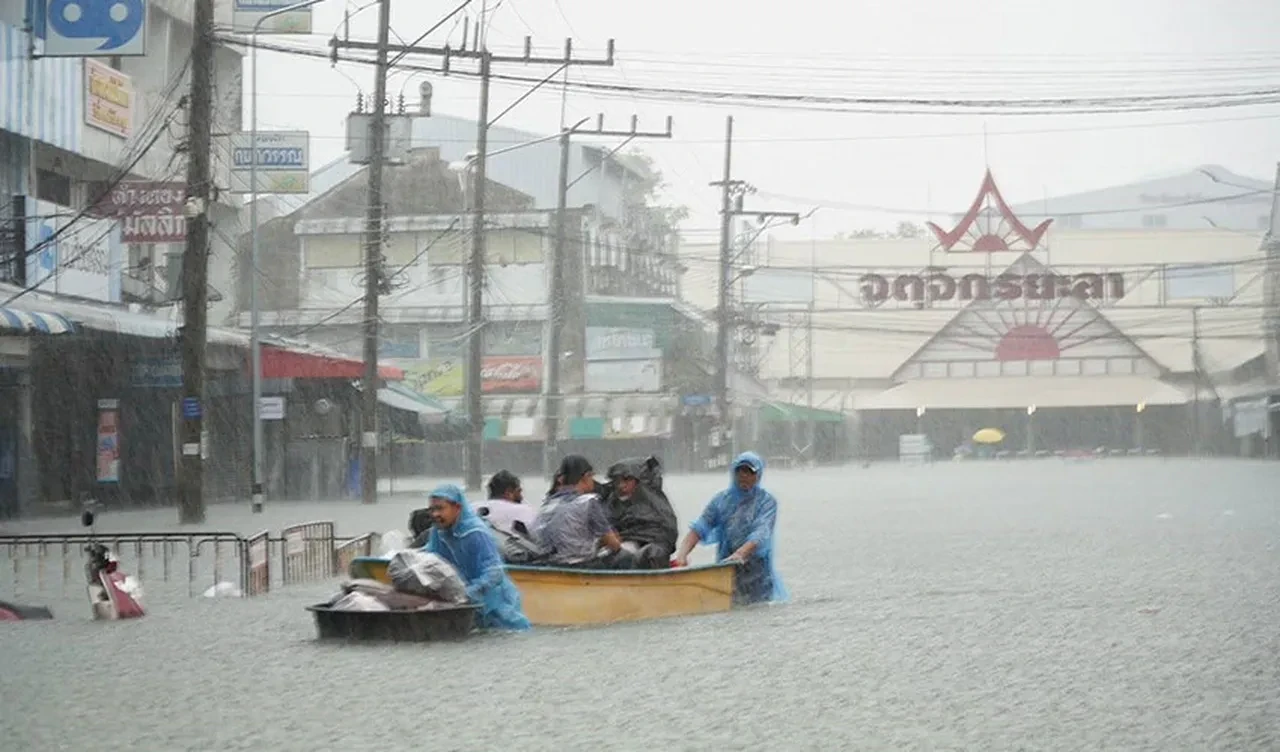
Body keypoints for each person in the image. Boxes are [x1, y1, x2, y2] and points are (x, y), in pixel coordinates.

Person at [674, 451, 788, 605]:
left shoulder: (766, 502)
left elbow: (761, 532)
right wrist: (682, 555)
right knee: (730, 607)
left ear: (758, 476)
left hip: (757, 569)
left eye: (749, 472)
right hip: (727, 566)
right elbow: (699, 528)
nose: (744, 475)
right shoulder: (721, 500)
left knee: (756, 608)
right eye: (740, 471)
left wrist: (741, 553)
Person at [424, 483, 531, 631]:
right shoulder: (438, 533)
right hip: (465, 608)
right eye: (432, 509)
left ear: (457, 508)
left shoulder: (476, 533)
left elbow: (494, 572)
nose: (435, 514)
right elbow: (429, 560)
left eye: (440, 508)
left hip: (496, 608)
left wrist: (469, 593)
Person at [532, 455, 629, 568]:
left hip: (550, 565)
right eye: (592, 476)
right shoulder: (589, 502)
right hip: (581, 566)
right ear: (586, 477)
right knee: (625, 556)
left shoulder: (548, 504)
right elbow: (614, 544)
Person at [605, 459, 678, 569]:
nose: (621, 485)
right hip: (623, 543)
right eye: (618, 481)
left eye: (627, 480)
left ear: (637, 480)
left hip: (652, 544)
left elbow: (667, 528)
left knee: (652, 554)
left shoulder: (653, 501)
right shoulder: (612, 501)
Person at [474, 470, 537, 539]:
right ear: (508, 492)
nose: (521, 497)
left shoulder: (472, 509)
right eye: (518, 491)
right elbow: (539, 541)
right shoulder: (523, 511)